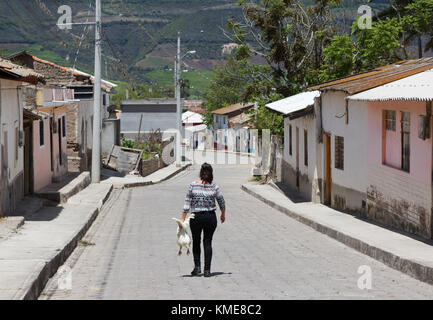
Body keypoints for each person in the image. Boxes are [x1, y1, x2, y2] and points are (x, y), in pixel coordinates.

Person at [181, 163, 226, 277]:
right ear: (211, 174)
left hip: (196, 217)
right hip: (210, 217)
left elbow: (187, 202)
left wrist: (183, 219)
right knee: (207, 242)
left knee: (196, 241)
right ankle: (207, 270)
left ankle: (197, 268)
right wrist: (222, 214)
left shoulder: (193, 185)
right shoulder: (214, 186)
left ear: (200, 173)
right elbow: (221, 201)